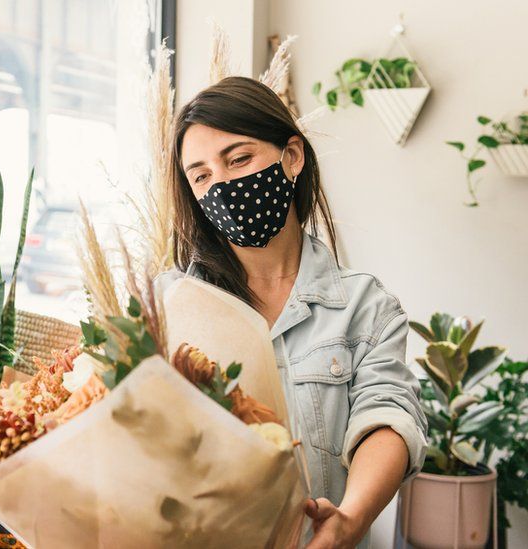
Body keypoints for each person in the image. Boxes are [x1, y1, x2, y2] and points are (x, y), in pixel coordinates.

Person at [159, 76, 428, 548]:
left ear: (292, 157)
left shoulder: (366, 307)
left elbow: (387, 416)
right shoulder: (170, 304)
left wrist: (351, 518)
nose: (222, 184)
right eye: (201, 175)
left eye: (238, 158)